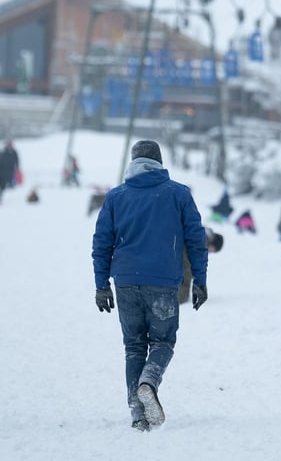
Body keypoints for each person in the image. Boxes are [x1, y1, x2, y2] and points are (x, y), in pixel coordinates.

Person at [92, 140, 208, 432]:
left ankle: (138, 414)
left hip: (125, 281)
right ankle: (149, 382)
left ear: (133, 162)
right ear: (159, 161)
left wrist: (101, 285)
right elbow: (197, 240)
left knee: (134, 347)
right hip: (163, 283)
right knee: (163, 342)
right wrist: (200, 280)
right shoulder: (179, 194)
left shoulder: (116, 197)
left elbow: (101, 244)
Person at [179, 229, 223, 304]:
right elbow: (187, 268)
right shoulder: (202, 244)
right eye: (213, 250)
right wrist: (183, 296)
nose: (211, 252)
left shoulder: (200, 233)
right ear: (213, 244)